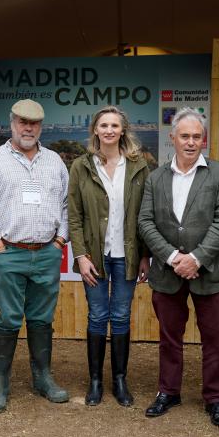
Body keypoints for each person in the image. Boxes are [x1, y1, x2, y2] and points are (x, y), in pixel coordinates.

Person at [138, 108, 219, 428]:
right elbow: (145, 222)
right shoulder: (156, 177)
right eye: (185, 136)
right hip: (167, 273)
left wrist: (195, 259)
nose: (191, 142)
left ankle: (215, 399)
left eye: (197, 136)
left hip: (209, 271)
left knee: (214, 340)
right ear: (173, 139)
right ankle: (168, 391)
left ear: (203, 139)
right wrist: (172, 257)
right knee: (169, 337)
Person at [0, 99, 70, 414]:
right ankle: (0, 383)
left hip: (46, 253)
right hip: (10, 253)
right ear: (11, 123)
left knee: (42, 318)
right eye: (22, 122)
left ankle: (42, 377)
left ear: (41, 126)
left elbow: (67, 205)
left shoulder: (54, 161)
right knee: (9, 319)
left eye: (34, 123)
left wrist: (60, 240)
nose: (28, 128)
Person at [67, 105, 150, 407]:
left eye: (115, 125)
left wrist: (145, 255)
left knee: (121, 316)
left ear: (123, 130)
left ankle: (119, 380)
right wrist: (81, 255)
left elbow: (146, 215)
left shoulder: (139, 165)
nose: (109, 130)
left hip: (127, 255)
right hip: (95, 256)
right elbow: (74, 216)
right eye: (104, 125)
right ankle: (95, 381)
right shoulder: (82, 166)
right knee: (98, 316)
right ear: (95, 130)